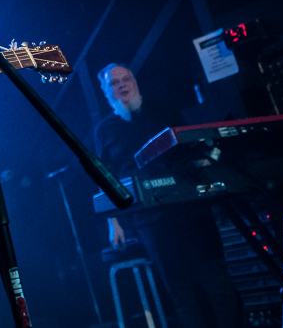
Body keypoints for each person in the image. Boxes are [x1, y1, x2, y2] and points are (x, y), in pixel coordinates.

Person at [94, 64, 242, 328]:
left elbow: (190, 149)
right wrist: (113, 222)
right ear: (106, 92)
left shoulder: (163, 110)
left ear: (135, 82)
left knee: (218, 283)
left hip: (191, 209)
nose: (122, 85)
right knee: (181, 294)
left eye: (126, 79)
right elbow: (107, 178)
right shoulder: (105, 130)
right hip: (151, 220)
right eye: (115, 83)